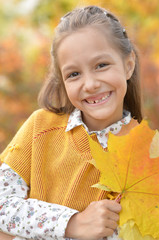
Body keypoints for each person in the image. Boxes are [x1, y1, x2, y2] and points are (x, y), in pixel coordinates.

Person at [0, 5, 142, 240]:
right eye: (74, 74)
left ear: (128, 64)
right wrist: (71, 223)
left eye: (101, 65)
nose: (90, 84)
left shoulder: (147, 155)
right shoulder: (40, 128)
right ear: (62, 81)